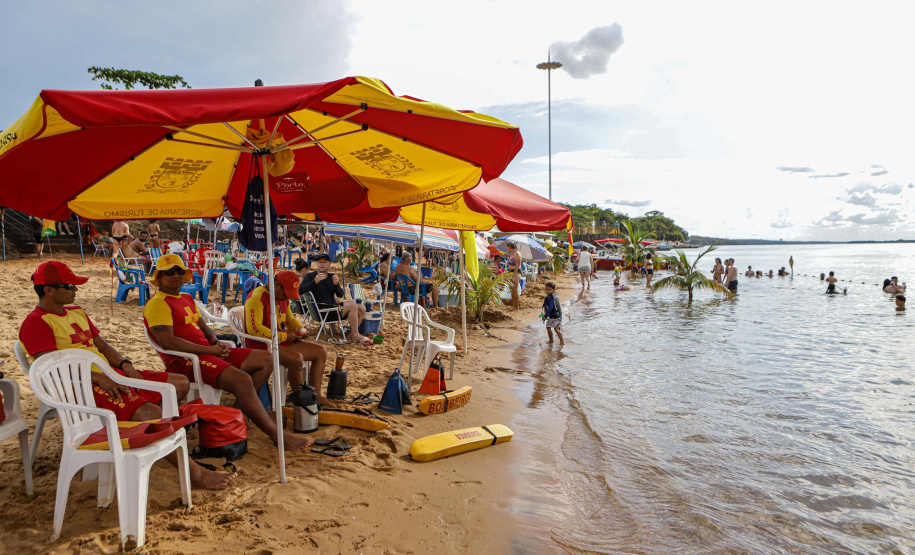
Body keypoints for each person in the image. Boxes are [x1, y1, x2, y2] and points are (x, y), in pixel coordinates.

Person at [20, 261, 236, 489]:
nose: (76, 290)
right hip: (81, 386)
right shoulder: (35, 323)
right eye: (69, 286)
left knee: (178, 384)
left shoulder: (76, 312)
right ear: (49, 290)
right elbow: (53, 371)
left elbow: (103, 347)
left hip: (110, 374)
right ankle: (195, 473)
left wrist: (125, 363)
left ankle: (152, 441)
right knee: (149, 412)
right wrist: (98, 378)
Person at [144, 254, 310, 452]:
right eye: (169, 272)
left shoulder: (186, 298)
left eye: (180, 271)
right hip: (186, 361)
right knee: (242, 380)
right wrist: (209, 349)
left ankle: (237, 414)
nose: (176, 275)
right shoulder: (157, 303)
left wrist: (216, 343)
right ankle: (275, 434)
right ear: (159, 277)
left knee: (267, 359)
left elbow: (203, 327)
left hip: (207, 352)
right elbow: (168, 342)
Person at [244, 271, 332, 405]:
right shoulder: (257, 297)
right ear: (277, 285)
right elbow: (254, 329)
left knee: (321, 352)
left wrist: (300, 330)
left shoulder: (282, 298)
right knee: (296, 359)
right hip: (261, 345)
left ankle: (316, 395)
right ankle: (300, 399)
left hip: (280, 341)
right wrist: (284, 335)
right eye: (286, 294)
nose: (287, 298)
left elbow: (289, 319)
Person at [299, 254, 372, 345]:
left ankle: (351, 334)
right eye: (320, 262)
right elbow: (300, 291)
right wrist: (314, 282)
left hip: (332, 310)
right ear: (317, 264)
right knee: (352, 305)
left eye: (324, 262)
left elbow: (340, 294)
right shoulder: (310, 276)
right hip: (322, 312)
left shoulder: (331, 276)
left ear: (329, 264)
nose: (322, 264)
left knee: (361, 307)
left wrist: (336, 284)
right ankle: (356, 335)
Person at [506, 242, 522, 310]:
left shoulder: (517, 253)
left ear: (509, 247)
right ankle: (513, 305)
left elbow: (518, 264)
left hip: (515, 272)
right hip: (510, 272)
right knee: (511, 290)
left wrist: (515, 274)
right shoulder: (511, 254)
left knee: (515, 290)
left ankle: (516, 306)